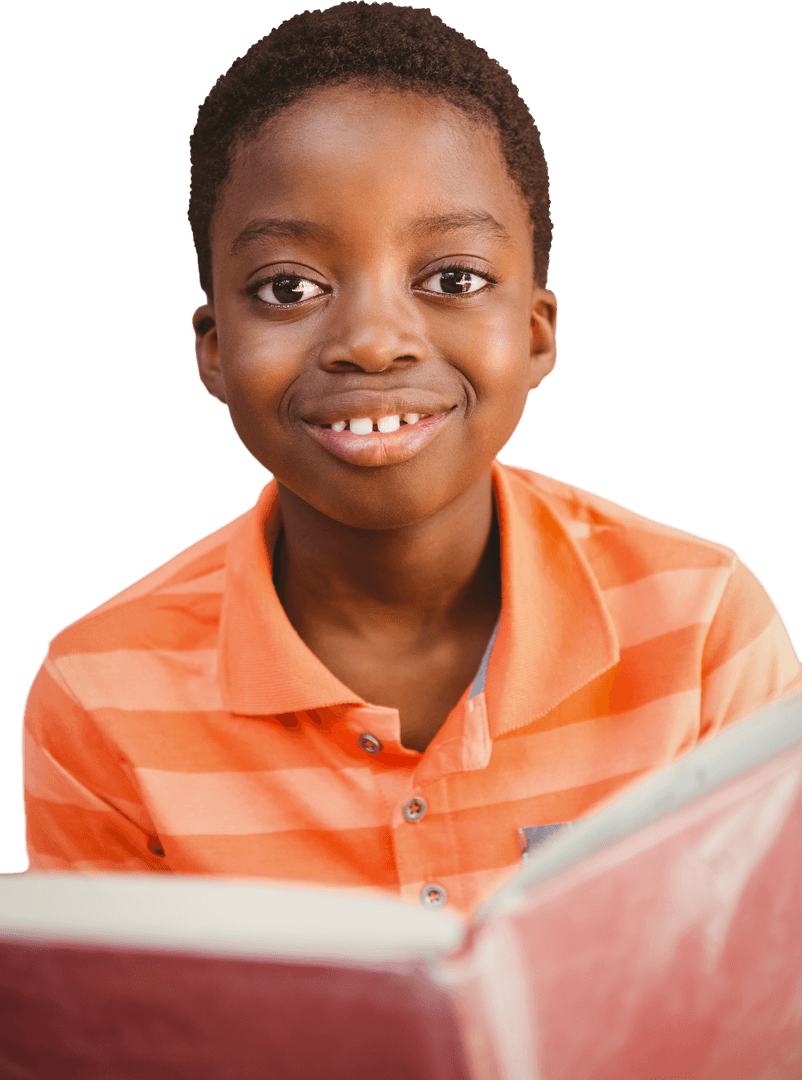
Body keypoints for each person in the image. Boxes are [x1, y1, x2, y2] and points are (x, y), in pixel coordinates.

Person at [21, 2, 801, 920]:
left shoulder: (703, 630)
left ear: (539, 332)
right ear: (214, 351)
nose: (373, 343)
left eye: (454, 280)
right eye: (289, 287)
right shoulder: (101, 696)